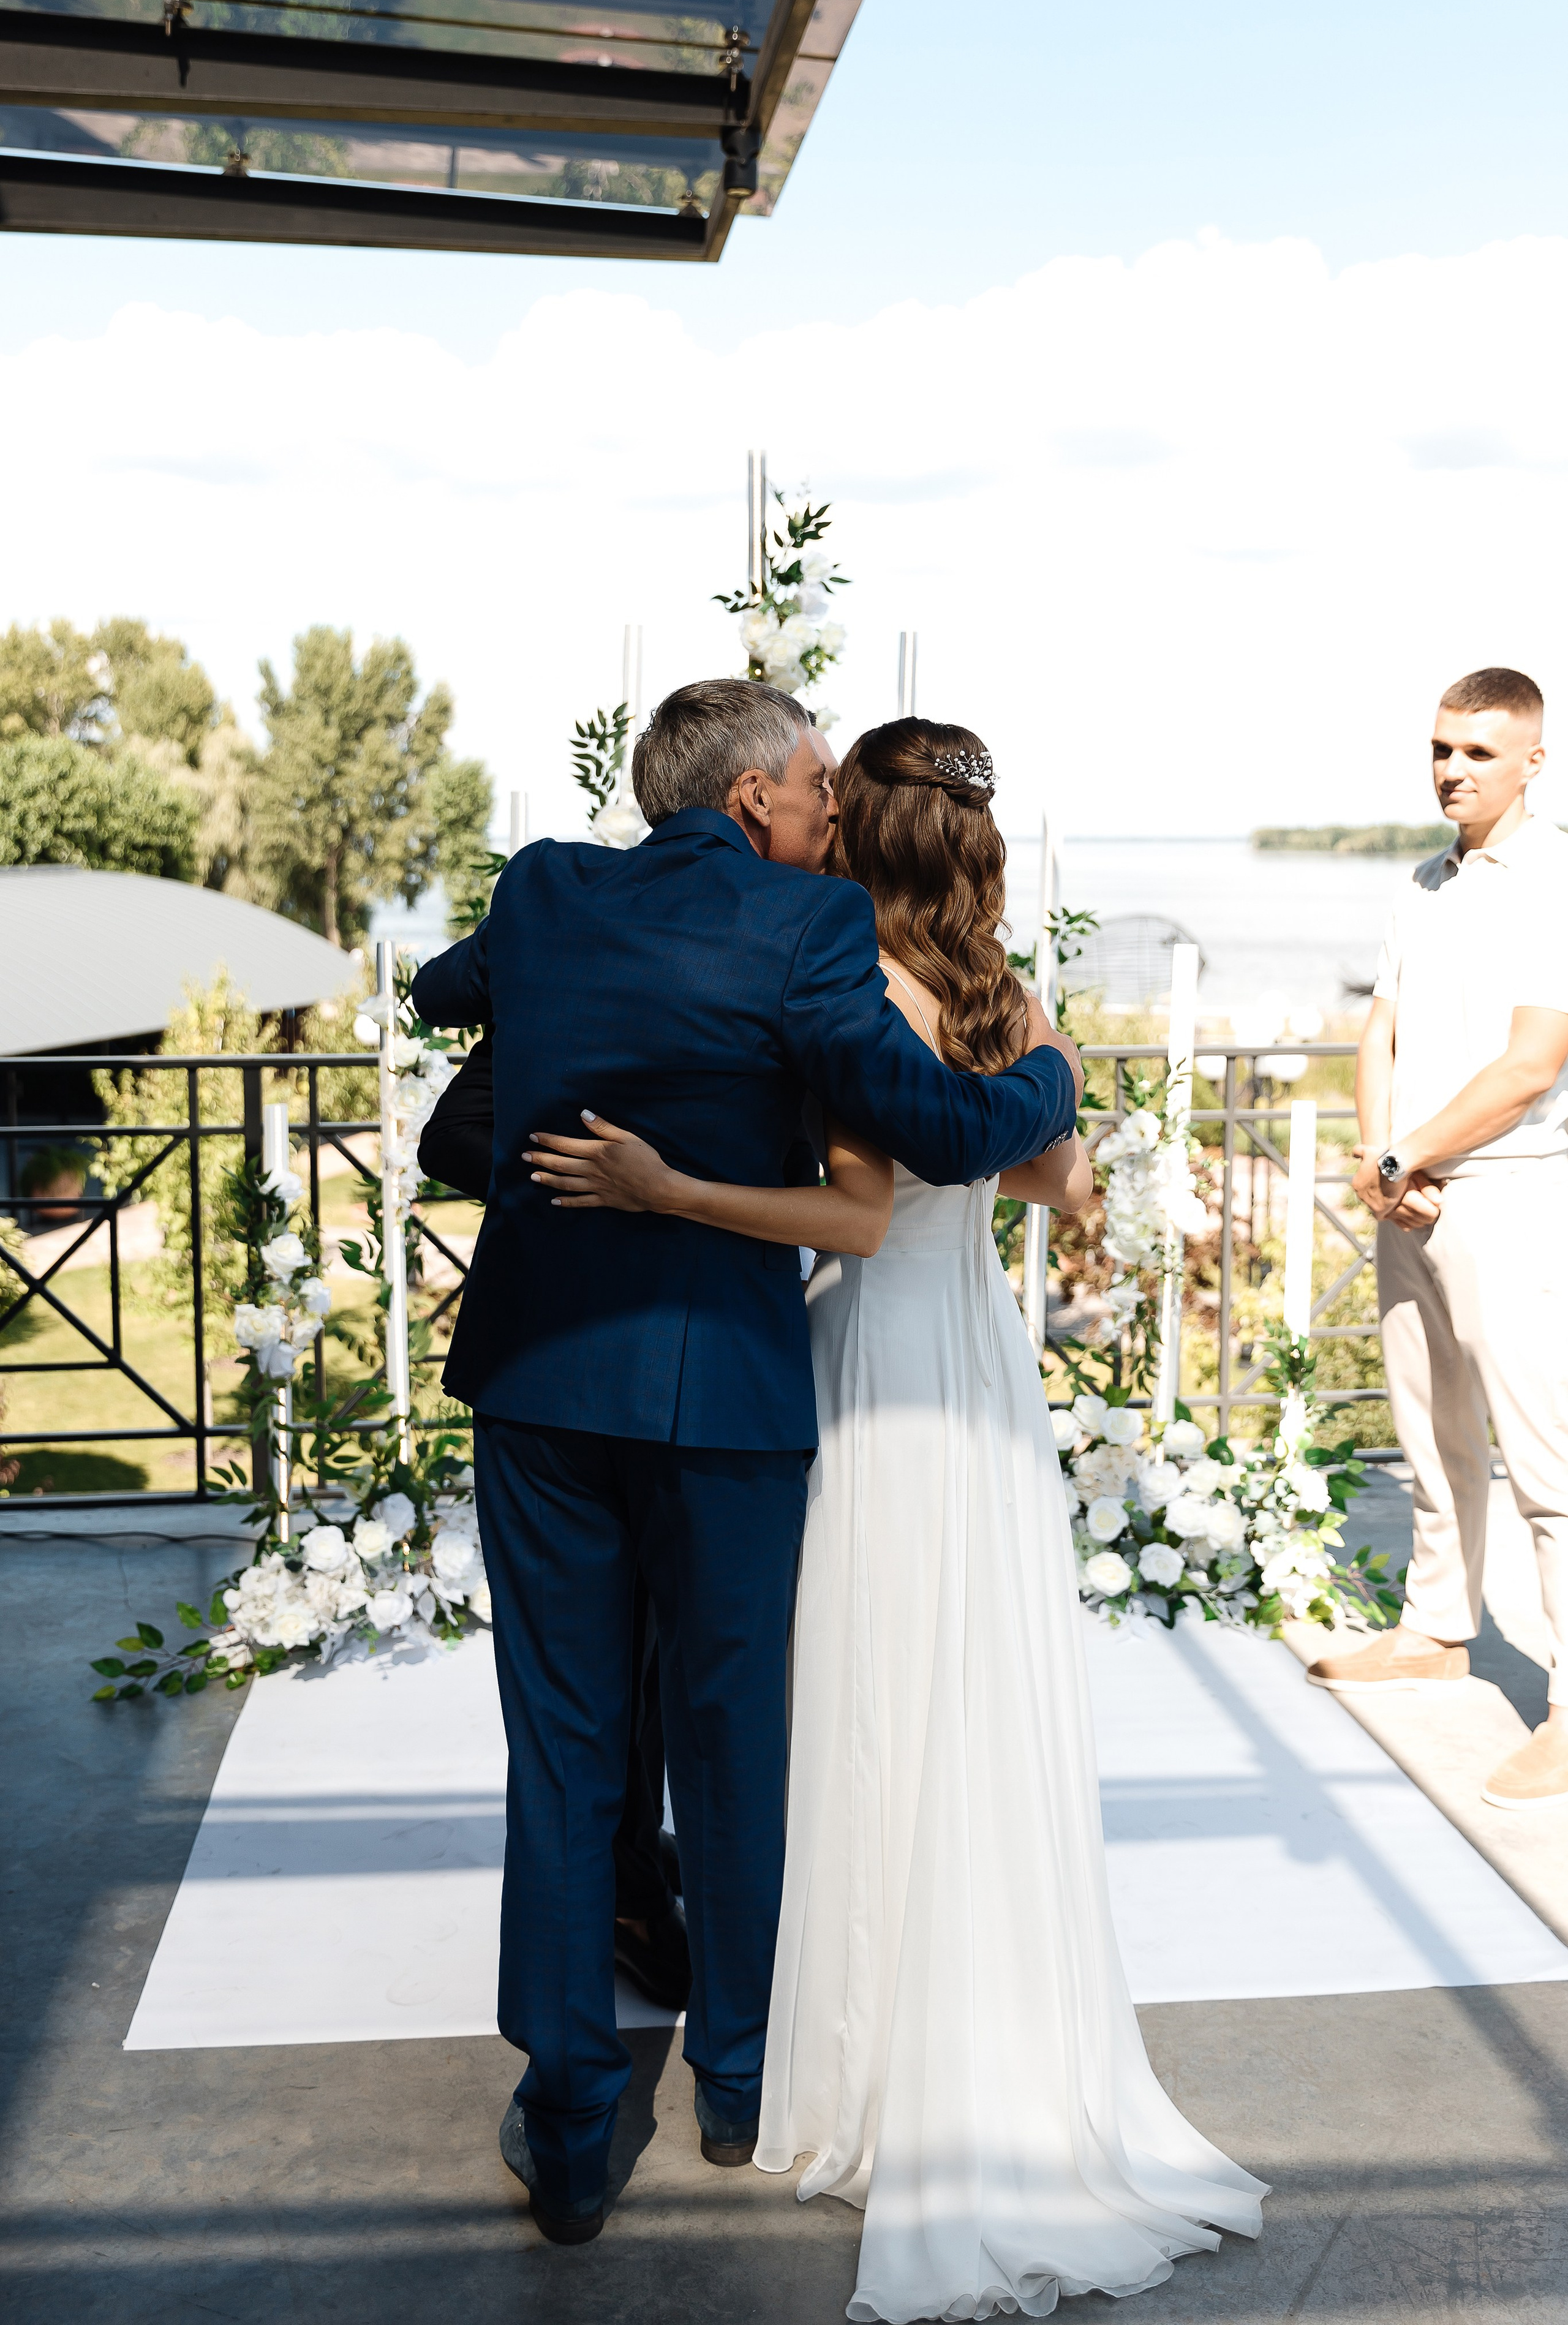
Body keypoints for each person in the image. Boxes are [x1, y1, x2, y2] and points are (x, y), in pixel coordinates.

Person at [529, 718, 1268, 2316]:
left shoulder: (844, 979)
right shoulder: (1010, 997)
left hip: (866, 1371)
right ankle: (999, 2030)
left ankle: (851, 2052)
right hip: (983, 1368)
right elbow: (1058, 1187)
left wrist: (670, 1191)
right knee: (973, 1700)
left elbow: (854, 1220)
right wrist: (1030, 1092)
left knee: (856, 1699)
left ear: (853, 830)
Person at [408, 680, 1081, 2247]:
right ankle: (734, 2072)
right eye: (813, 786)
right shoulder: (802, 930)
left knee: (567, 1747)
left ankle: (571, 2120)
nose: (828, 811)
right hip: (719, 1398)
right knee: (733, 1738)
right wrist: (1049, 1074)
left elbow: (450, 996)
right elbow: (937, 1122)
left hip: (542, 1379)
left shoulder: (541, 888)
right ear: (761, 795)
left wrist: (573, 1004)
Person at [1308, 667, 1568, 1811]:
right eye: (1440, 749)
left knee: (1547, 1460)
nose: (1452, 770)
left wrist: (1407, 1158)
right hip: (1408, 1192)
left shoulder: (1555, 877)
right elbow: (1382, 1026)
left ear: (1533, 760)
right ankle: (1435, 1629)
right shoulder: (1424, 881)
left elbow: (1531, 1066)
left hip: (1509, 1196)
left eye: (1476, 752)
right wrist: (1380, 1158)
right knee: (1431, 1430)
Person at [417, 1034, 690, 2014]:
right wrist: (599, 1184)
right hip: (567, 1360)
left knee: (661, 1658)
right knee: (590, 1677)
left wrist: (670, 1184)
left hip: (707, 1358)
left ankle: (631, 1852)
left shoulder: (772, 953)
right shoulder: (551, 949)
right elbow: (451, 1135)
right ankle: (620, 1899)